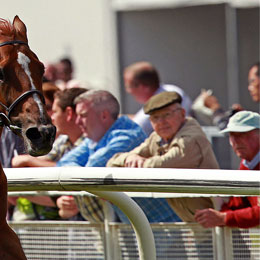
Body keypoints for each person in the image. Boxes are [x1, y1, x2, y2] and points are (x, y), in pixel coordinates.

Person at [56, 90, 180, 223]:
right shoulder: (94, 138)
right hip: (140, 227)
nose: (78, 121)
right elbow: (63, 164)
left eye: (83, 115)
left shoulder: (127, 137)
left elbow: (91, 171)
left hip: (165, 227)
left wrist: (75, 178)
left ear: (104, 116)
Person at [108, 91, 219, 222]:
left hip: (218, 223)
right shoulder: (157, 137)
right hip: (193, 224)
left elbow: (163, 166)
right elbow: (112, 163)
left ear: (182, 114)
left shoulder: (191, 138)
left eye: (167, 115)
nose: (161, 122)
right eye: (155, 118)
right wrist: (130, 159)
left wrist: (139, 163)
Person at [10, 88, 87, 220]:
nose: (51, 116)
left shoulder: (91, 143)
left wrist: (28, 161)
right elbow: (53, 166)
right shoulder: (64, 141)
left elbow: (78, 172)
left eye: (54, 110)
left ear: (68, 113)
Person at [195, 111, 259, 228]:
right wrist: (220, 213)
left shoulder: (248, 164)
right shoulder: (247, 164)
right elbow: (238, 202)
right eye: (232, 135)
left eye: (243, 134)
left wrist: (223, 218)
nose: (236, 141)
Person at [123, 61, 192, 135]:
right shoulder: (172, 89)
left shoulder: (158, 106)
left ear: (144, 87)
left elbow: (135, 129)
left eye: (129, 86)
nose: (128, 91)